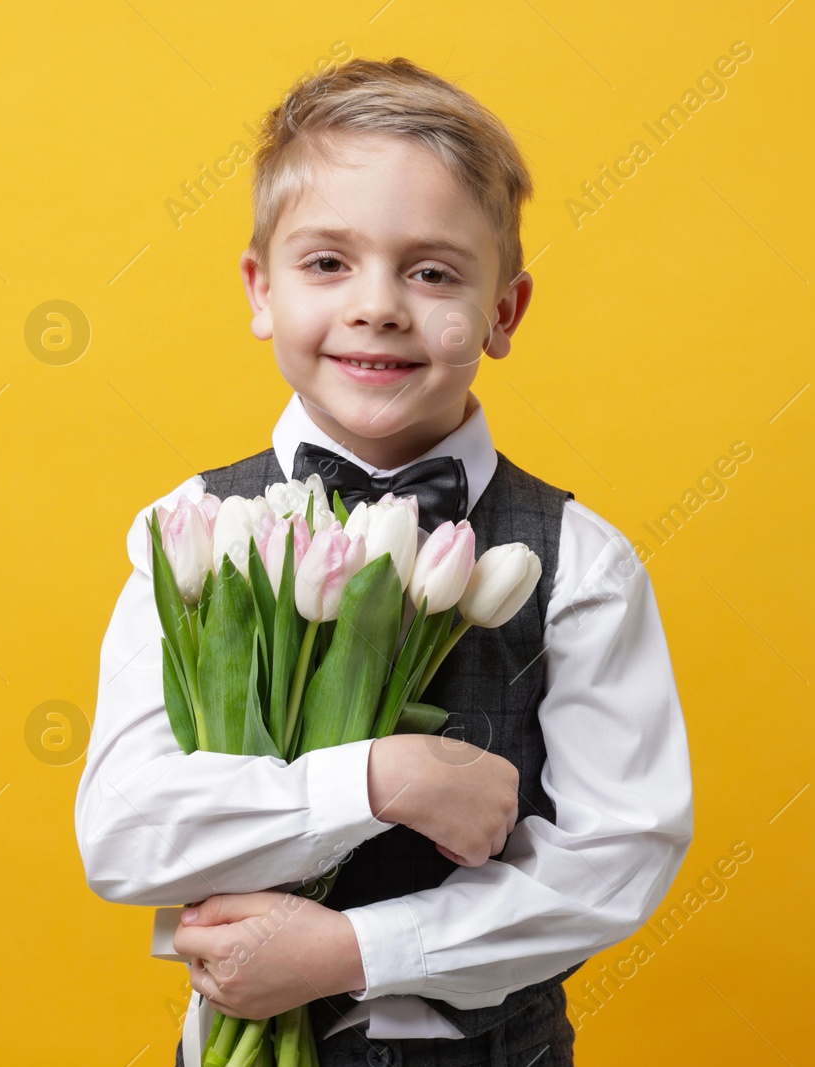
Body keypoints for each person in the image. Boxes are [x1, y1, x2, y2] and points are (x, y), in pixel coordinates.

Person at [73, 55, 694, 1067]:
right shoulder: (186, 526)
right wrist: (376, 776)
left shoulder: (580, 560)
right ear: (258, 289)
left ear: (503, 312)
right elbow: (128, 835)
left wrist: (349, 948)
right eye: (327, 263)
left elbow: (617, 857)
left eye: (433, 270)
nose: (378, 306)